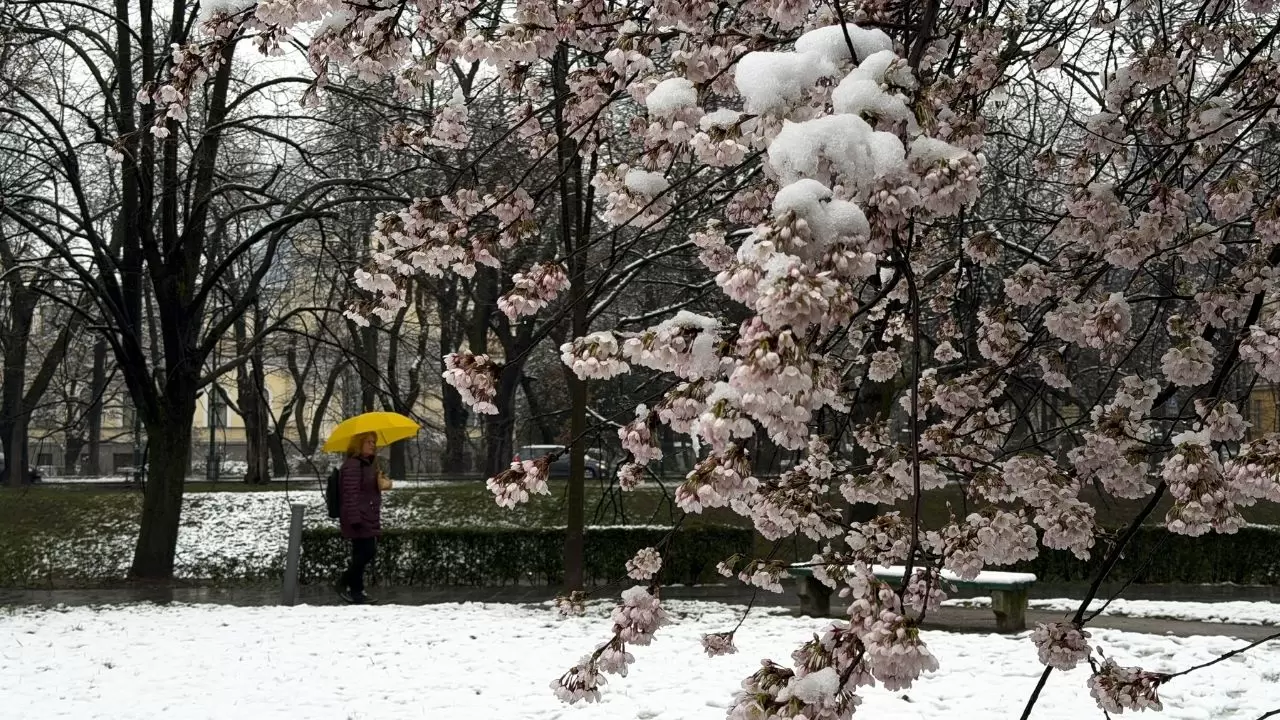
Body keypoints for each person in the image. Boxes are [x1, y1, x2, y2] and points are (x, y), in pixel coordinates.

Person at [337, 432, 383, 604]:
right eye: (368, 442)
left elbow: (366, 491)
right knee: (367, 551)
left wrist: (379, 481)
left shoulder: (366, 465)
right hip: (358, 517)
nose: (372, 445)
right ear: (358, 444)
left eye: (374, 442)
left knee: (360, 554)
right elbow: (350, 495)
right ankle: (343, 582)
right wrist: (355, 519)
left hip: (367, 515)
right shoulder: (353, 466)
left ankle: (357, 591)